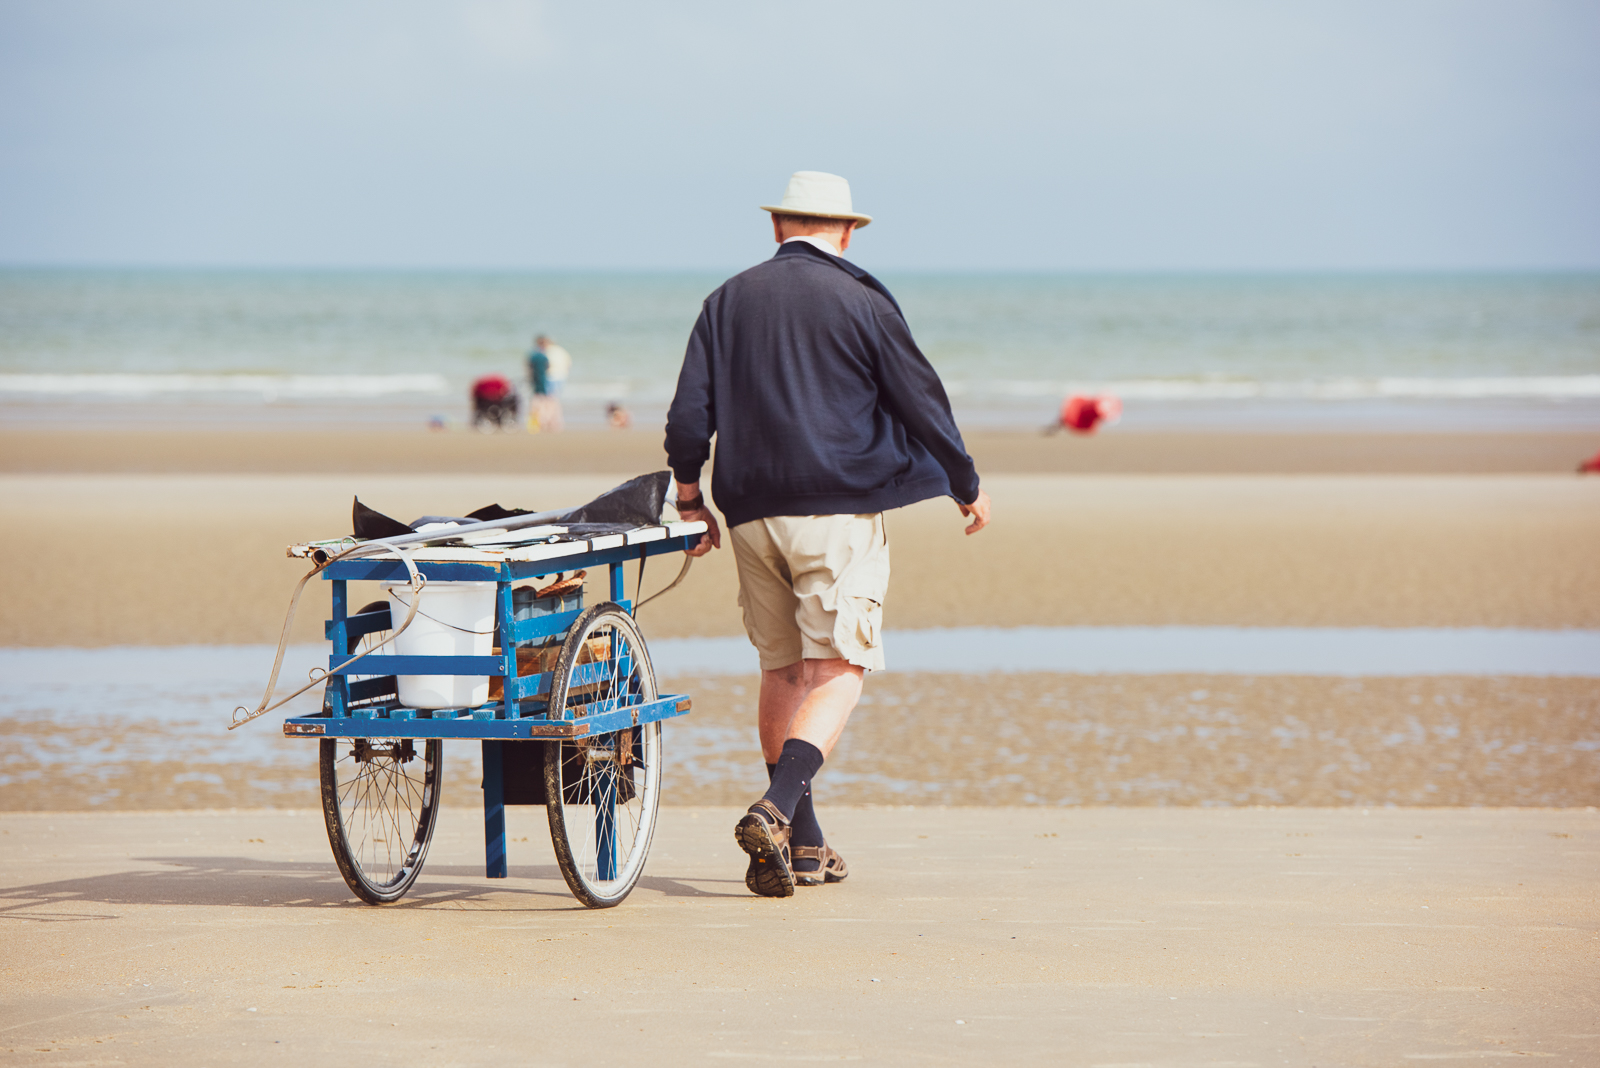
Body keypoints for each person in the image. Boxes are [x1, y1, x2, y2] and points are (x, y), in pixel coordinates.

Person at [664, 170, 992, 898]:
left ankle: (805, 844)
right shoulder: (862, 297)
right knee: (841, 666)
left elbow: (688, 417)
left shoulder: (726, 300)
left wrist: (689, 496)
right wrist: (964, 482)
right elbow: (920, 397)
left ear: (777, 226)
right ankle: (776, 807)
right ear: (846, 232)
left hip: (750, 510)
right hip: (838, 509)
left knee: (782, 670)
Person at [526, 335, 564, 432]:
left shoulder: (536, 354)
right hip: (550, 378)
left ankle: (543, 422)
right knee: (550, 400)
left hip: (544, 379)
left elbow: (529, 366)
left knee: (541, 401)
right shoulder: (545, 354)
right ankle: (549, 422)